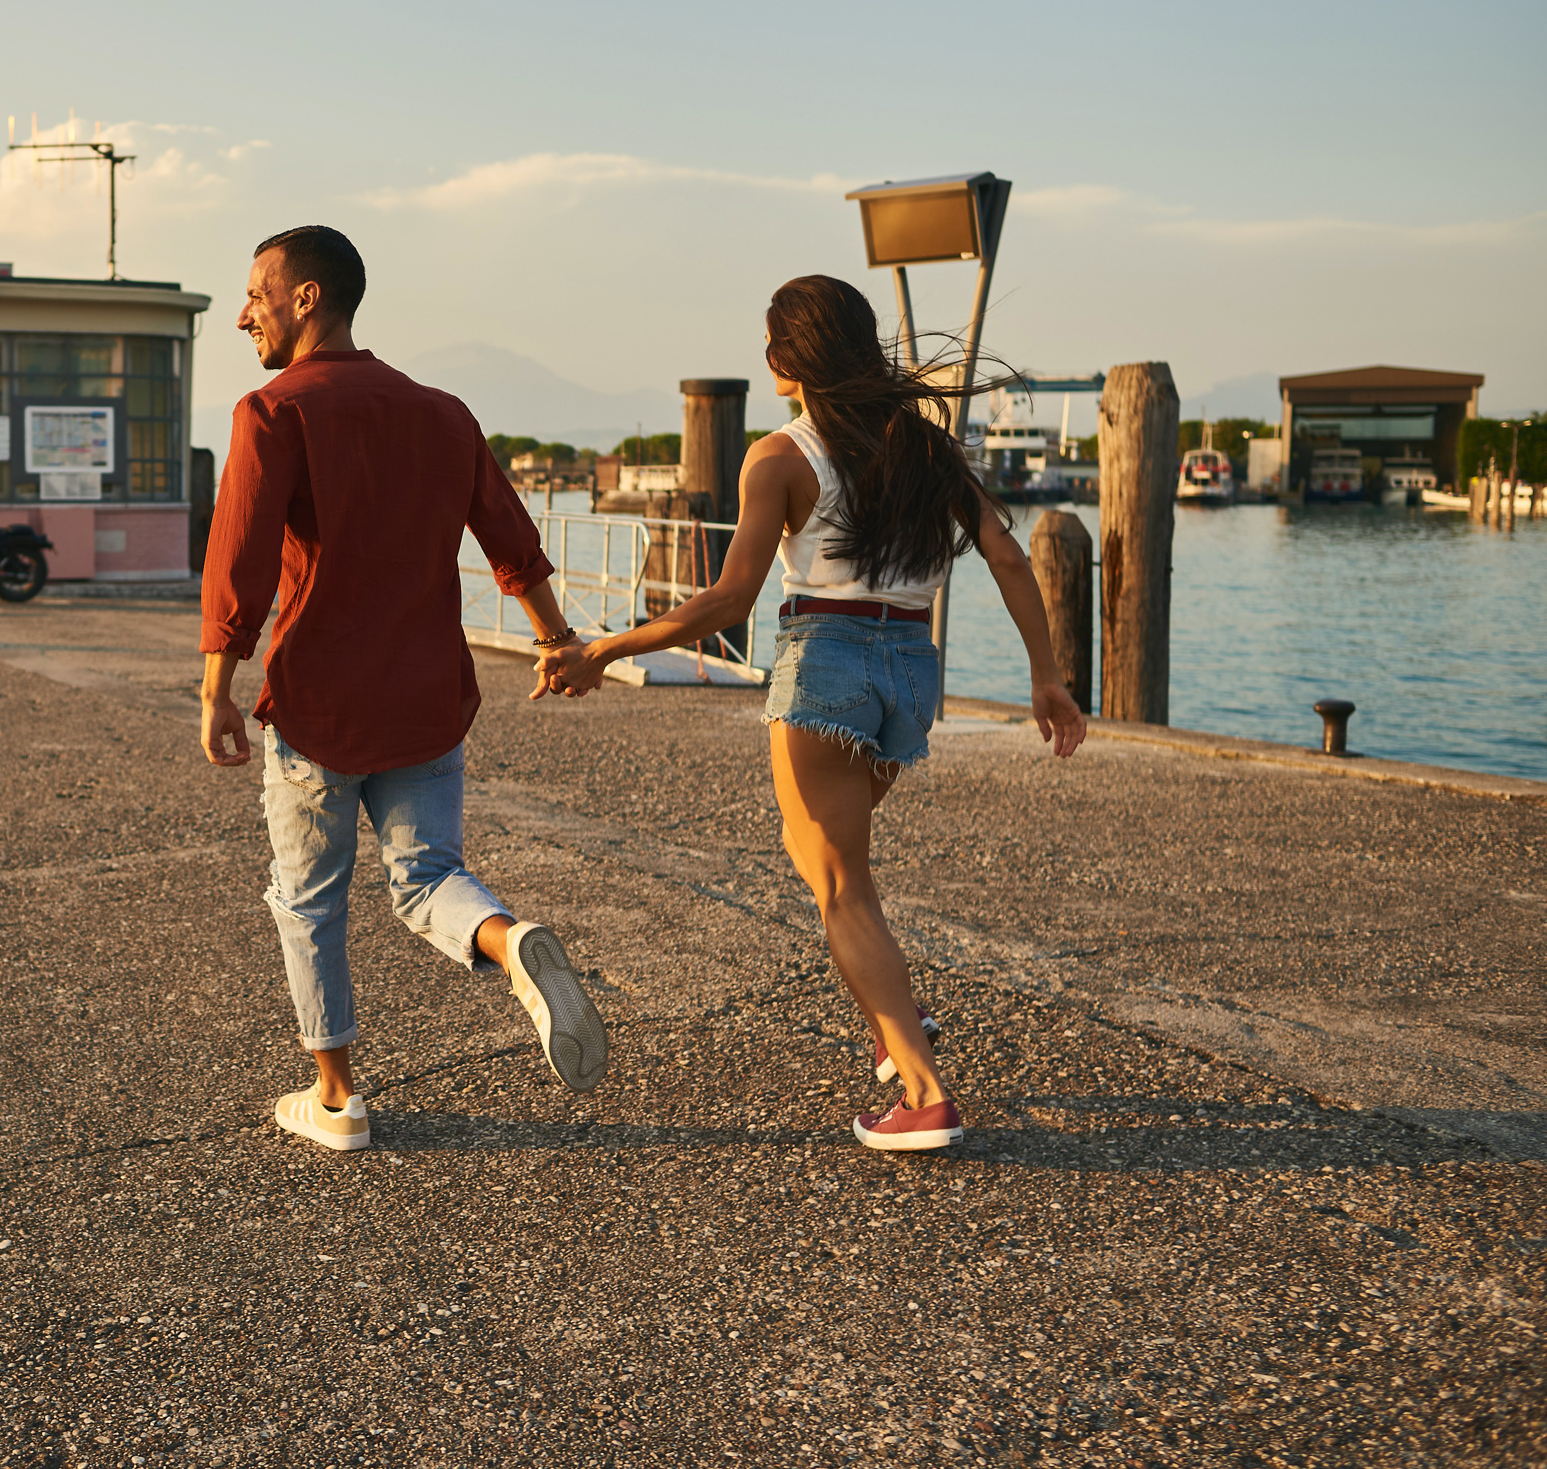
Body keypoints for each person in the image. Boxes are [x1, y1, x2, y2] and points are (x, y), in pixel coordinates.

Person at [542, 274, 1086, 1152]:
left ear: (786, 359)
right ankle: (891, 1015)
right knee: (825, 862)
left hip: (826, 664)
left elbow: (728, 602)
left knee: (841, 887)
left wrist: (604, 649)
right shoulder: (925, 451)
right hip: (911, 672)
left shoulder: (782, 457)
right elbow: (1011, 560)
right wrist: (1046, 676)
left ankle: (922, 1090)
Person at [199, 224, 610, 1153]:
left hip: (321, 708)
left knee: (308, 899)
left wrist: (217, 685)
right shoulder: (443, 413)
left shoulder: (273, 411)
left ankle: (338, 1099)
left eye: (254, 294)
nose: (242, 314)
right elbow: (513, 541)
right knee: (428, 879)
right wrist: (556, 639)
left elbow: (240, 564)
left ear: (306, 298)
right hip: (426, 699)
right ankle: (512, 943)